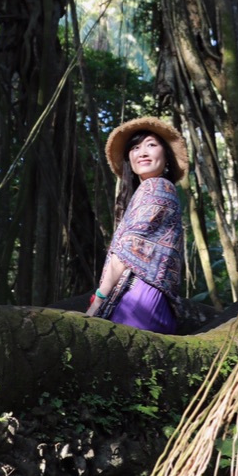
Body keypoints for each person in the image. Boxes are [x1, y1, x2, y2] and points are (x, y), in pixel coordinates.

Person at [88, 116, 187, 334]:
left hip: (139, 298)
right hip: (150, 299)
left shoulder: (156, 187)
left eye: (151, 145)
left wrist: (98, 300)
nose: (142, 152)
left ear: (167, 157)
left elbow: (126, 252)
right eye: (135, 148)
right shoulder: (155, 191)